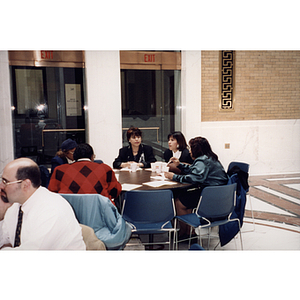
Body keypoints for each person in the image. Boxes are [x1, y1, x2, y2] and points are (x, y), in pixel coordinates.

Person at [0, 158, 85, 250]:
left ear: (25, 185)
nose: (1, 186)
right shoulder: (16, 205)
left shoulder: (51, 209)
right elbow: (4, 239)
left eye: (5, 182)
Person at [164, 136, 228, 237]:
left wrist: (174, 177)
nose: (189, 151)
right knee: (185, 199)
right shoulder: (209, 157)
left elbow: (195, 178)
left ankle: (184, 232)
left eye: (191, 148)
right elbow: (195, 170)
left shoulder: (202, 160)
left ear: (197, 150)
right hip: (218, 194)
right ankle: (190, 232)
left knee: (179, 202)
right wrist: (180, 165)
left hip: (210, 196)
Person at [49, 143, 121, 205]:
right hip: (100, 214)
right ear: (92, 156)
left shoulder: (60, 170)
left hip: (70, 214)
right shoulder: (105, 169)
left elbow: (52, 194)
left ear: (74, 157)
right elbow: (115, 192)